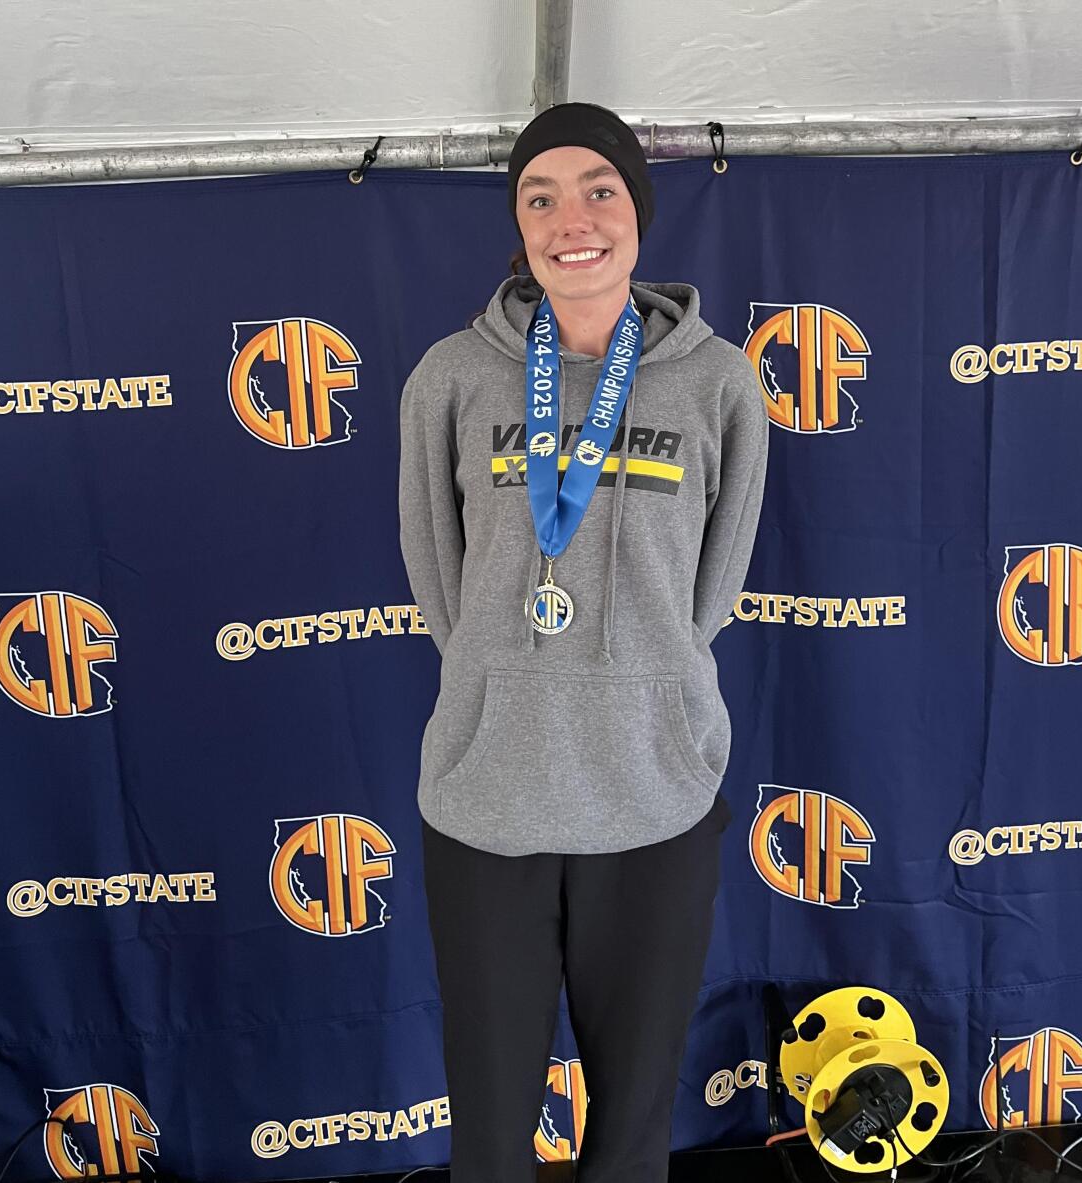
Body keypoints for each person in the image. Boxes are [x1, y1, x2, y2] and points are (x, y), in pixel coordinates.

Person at [398, 101, 768, 1183]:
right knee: (492, 1137)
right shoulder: (451, 378)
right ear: (519, 224)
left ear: (638, 212)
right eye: (541, 196)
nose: (575, 221)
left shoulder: (718, 382)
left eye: (600, 190)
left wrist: (643, 682)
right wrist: (500, 684)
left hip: (653, 795)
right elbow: (437, 575)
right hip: (487, 798)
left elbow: (714, 583)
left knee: (632, 1132)